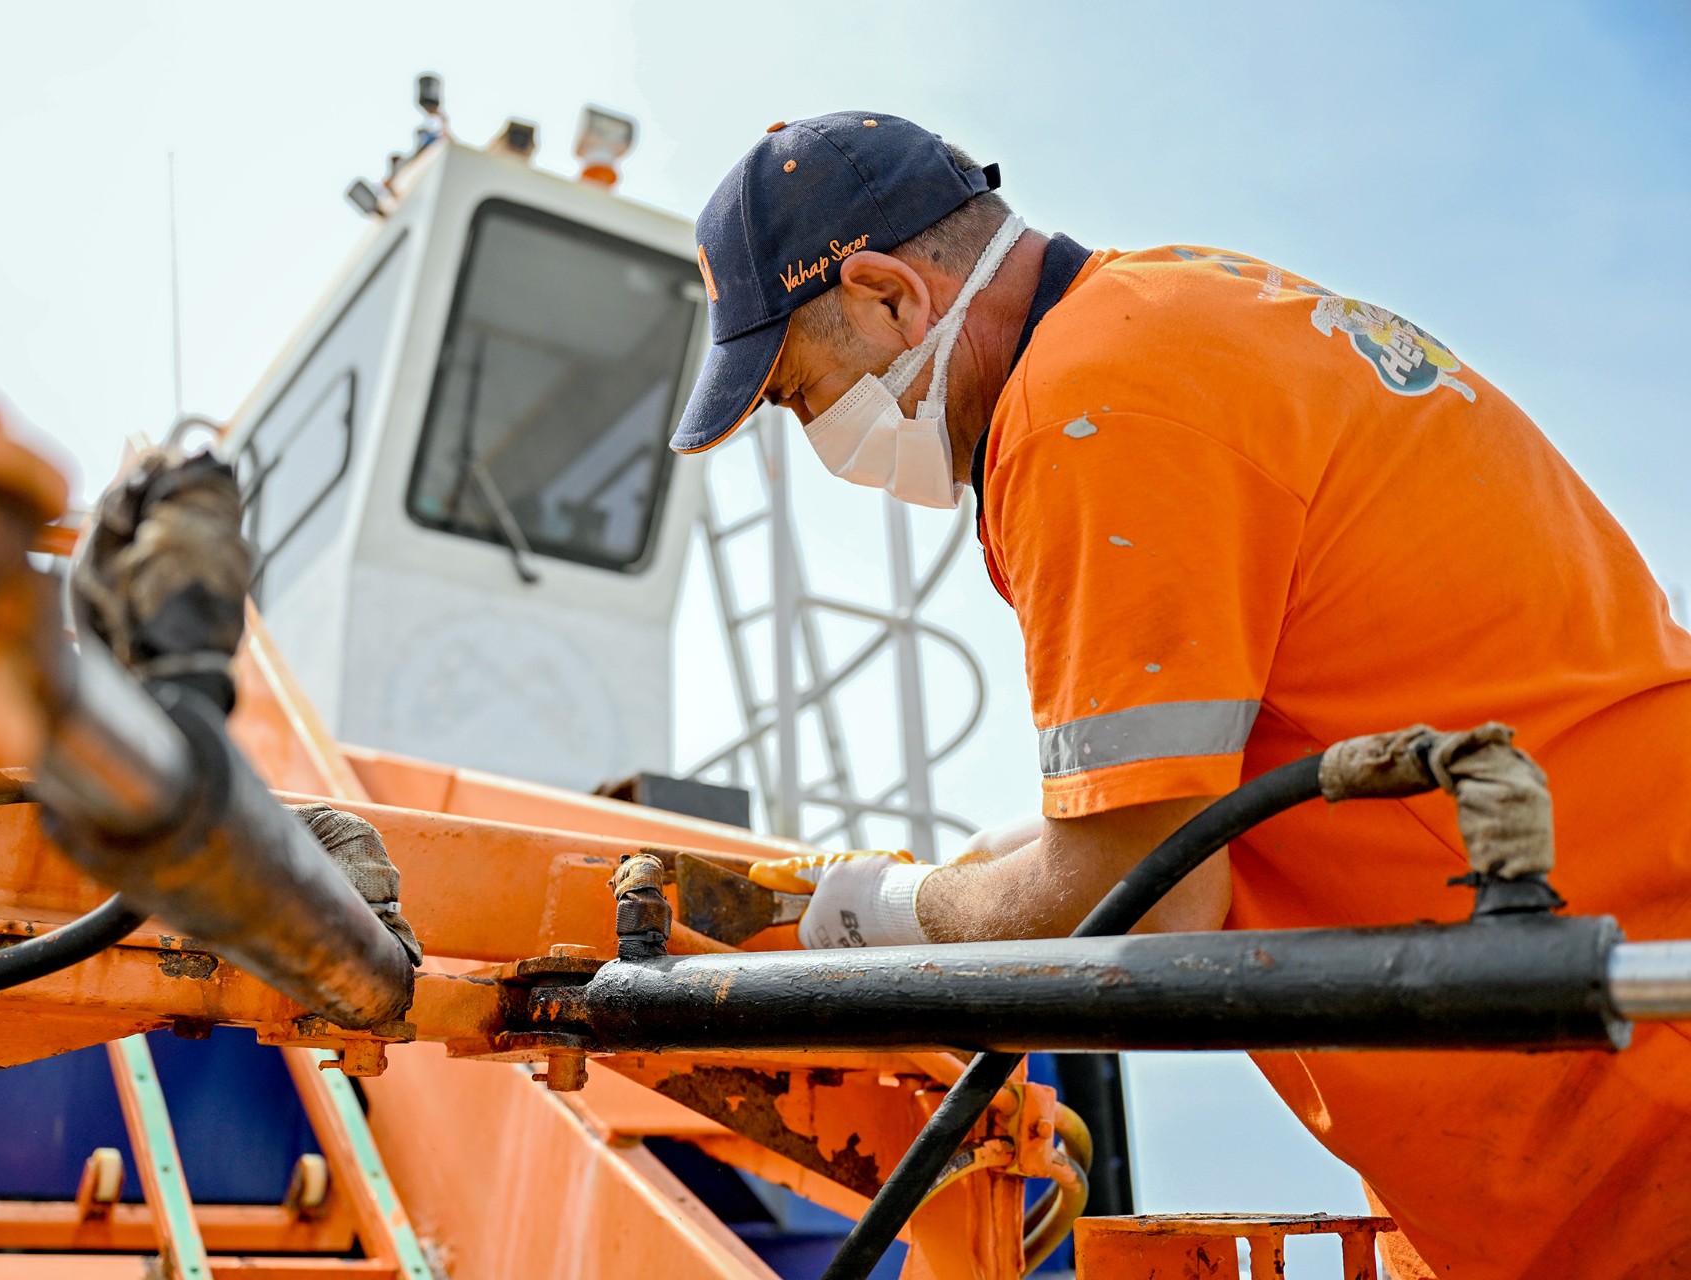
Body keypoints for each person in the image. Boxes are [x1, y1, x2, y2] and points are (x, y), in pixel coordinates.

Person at [668, 111, 1691, 1280]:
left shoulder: (1088, 410)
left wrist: (880, 914)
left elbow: (1145, 901)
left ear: (888, 295)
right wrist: (993, 866)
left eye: (802, 396)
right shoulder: (1177, 312)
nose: (820, 439)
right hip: (1581, 1069)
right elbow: (1203, 799)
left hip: (1633, 1094)